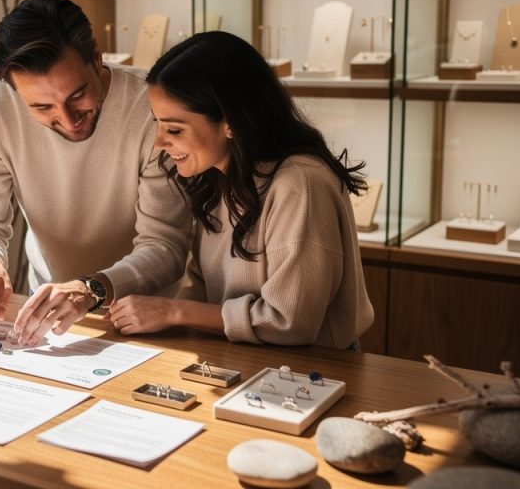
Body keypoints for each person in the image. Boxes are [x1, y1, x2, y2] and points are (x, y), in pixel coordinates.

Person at [107, 31, 374, 349]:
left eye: (174, 129)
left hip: (314, 376)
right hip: (244, 362)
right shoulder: (220, 177)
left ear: (229, 121)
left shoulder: (300, 184)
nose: (159, 143)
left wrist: (173, 311)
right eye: (158, 124)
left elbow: (290, 322)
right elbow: (201, 288)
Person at [0, 0, 191, 346]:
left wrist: (91, 289)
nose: (67, 120)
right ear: (14, 92)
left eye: (77, 94)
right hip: (47, 314)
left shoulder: (150, 107)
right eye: (42, 106)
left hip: (145, 316)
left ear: (97, 57)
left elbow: (165, 246)